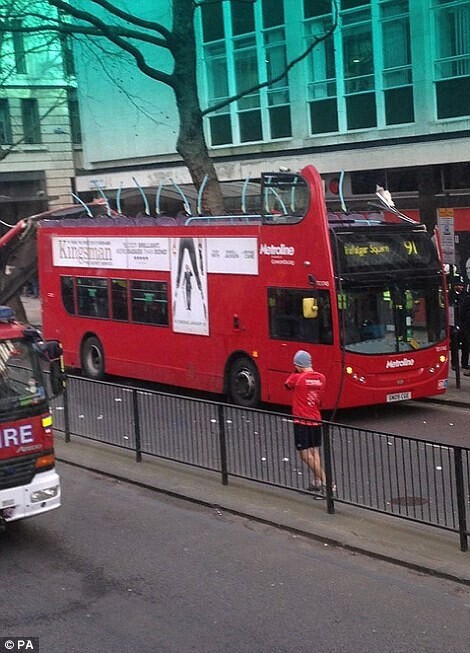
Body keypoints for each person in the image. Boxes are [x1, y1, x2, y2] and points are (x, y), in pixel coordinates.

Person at [285, 350, 331, 494]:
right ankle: (316, 482)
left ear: (298, 365)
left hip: (302, 421)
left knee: (304, 455)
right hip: (315, 419)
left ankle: (326, 482)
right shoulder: (321, 378)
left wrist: (295, 371)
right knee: (314, 452)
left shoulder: (297, 378)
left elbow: (287, 384)